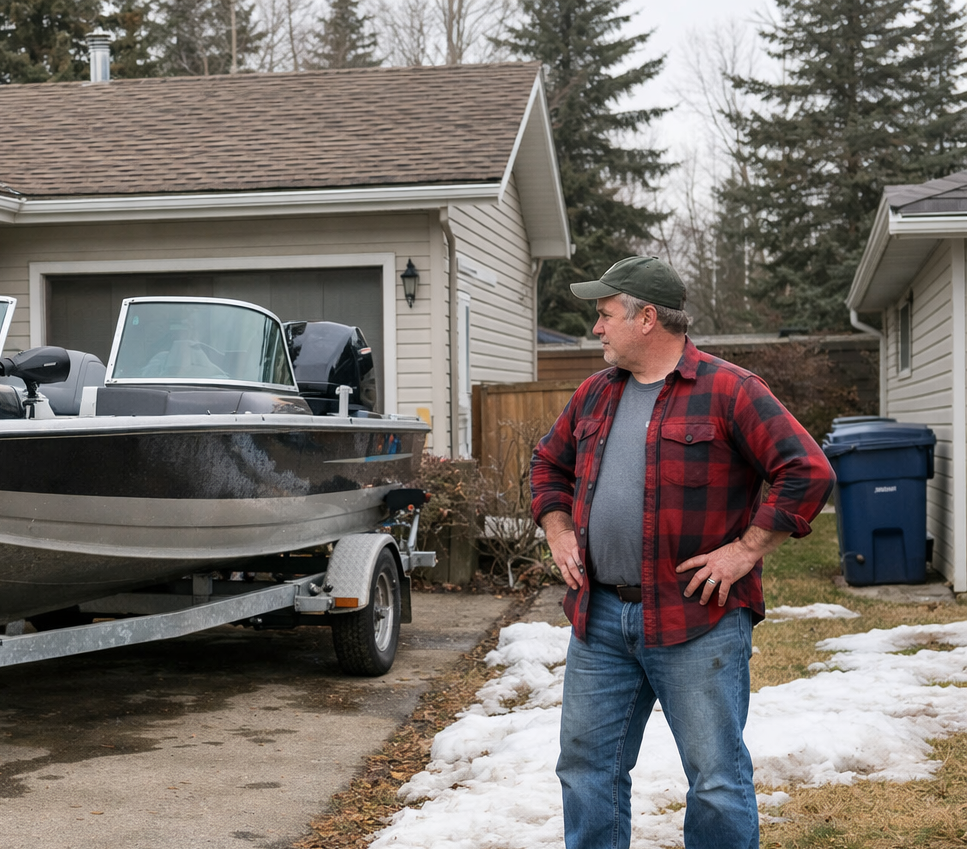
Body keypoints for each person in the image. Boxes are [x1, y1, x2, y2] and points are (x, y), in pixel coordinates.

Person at [529, 256, 835, 849]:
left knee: (716, 781)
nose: (596, 328)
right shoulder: (595, 394)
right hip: (600, 621)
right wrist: (558, 529)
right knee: (586, 770)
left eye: (605, 314)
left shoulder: (730, 390)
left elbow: (807, 471)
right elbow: (549, 464)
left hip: (699, 618)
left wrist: (745, 552)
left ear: (647, 318)